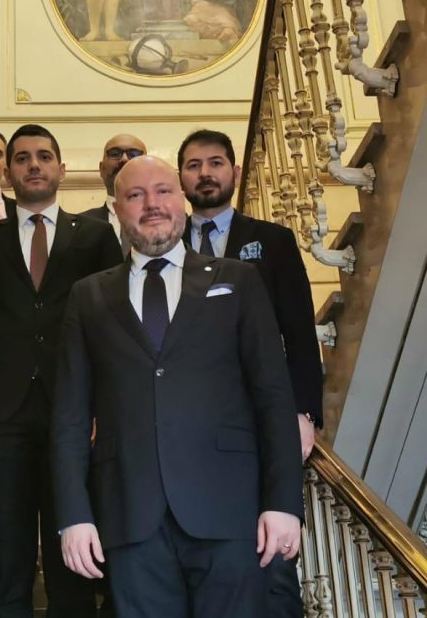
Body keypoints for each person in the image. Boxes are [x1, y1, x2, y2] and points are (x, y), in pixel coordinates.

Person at [52, 156, 304, 618]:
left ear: (183, 202)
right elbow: (69, 416)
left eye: (163, 191)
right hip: (130, 513)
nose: (152, 204)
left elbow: (273, 396)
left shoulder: (237, 280)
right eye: (135, 195)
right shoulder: (87, 295)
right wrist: (74, 515)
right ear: (117, 210)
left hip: (229, 509)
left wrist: (284, 503)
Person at [0, 124, 123, 618]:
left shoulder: (95, 237)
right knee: (6, 558)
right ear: (8, 173)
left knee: (71, 554)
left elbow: (112, 328)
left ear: (61, 169)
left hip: (72, 414)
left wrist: (104, 408)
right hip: (1, 417)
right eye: (23, 157)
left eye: (44, 156)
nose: (34, 164)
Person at [178, 129, 323, 618]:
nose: (205, 173)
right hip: (188, 419)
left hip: (262, 413)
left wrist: (304, 413)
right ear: (181, 178)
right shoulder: (163, 243)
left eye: (215, 163)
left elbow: (299, 332)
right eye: (194, 165)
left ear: (235, 173)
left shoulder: (273, 240)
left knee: (272, 552)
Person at [83, 133, 147, 248]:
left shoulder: (168, 219)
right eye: (115, 154)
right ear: (101, 169)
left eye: (134, 154)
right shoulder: (81, 225)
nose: (124, 159)